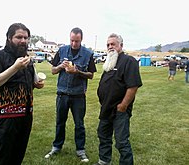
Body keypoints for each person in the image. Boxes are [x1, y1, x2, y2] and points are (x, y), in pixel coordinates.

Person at [0, 23, 44, 165]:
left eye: (26, 37)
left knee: (17, 157)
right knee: (2, 159)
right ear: (9, 38)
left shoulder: (27, 60)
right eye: (19, 37)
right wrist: (15, 67)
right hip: (5, 118)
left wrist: (36, 84)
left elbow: (28, 83)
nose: (23, 41)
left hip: (25, 117)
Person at [44, 27, 97, 162]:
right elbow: (53, 70)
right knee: (60, 122)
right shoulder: (62, 51)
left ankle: (80, 150)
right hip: (62, 93)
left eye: (77, 41)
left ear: (81, 40)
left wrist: (77, 71)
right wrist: (61, 66)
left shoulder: (88, 54)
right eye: (72, 40)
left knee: (79, 124)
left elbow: (91, 75)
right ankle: (56, 147)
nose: (74, 44)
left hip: (78, 95)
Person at [93, 33, 142, 165]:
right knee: (103, 136)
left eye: (113, 44)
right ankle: (104, 161)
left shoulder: (129, 61)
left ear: (121, 45)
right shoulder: (109, 62)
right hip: (106, 108)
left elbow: (133, 86)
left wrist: (123, 105)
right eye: (108, 44)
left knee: (121, 141)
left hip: (120, 109)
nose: (110, 47)